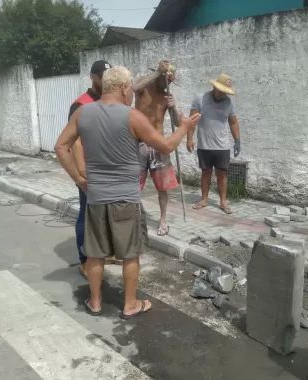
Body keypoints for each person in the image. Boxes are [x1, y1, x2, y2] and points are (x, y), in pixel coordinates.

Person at [55, 66, 200, 318]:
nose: (132, 94)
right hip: (125, 199)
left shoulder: (82, 113)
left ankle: (96, 302)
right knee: (130, 254)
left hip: (96, 197)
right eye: (130, 88)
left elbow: (61, 147)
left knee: (95, 254)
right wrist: (184, 128)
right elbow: (165, 145)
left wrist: (79, 179)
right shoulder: (132, 117)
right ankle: (130, 304)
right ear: (123, 88)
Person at [68, 60, 112, 277]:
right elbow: (74, 142)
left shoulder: (108, 101)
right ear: (93, 77)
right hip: (89, 171)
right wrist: (81, 174)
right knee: (86, 215)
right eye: (102, 77)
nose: (106, 81)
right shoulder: (81, 104)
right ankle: (84, 260)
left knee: (104, 215)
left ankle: (103, 252)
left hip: (107, 169)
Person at [133, 60, 179, 236]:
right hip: (138, 144)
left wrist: (173, 108)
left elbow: (176, 122)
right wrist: (157, 73)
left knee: (163, 187)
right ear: (160, 76)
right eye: (166, 79)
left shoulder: (167, 96)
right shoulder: (144, 87)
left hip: (159, 144)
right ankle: (135, 216)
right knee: (134, 185)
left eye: (171, 80)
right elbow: (134, 88)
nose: (168, 83)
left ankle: (163, 219)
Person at [187, 73, 241, 214]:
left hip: (222, 146)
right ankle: (204, 200)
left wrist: (237, 141)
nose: (223, 94)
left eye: (225, 92)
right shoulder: (200, 99)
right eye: (221, 90)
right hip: (204, 145)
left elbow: (233, 121)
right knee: (206, 173)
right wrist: (189, 138)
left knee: (222, 174)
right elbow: (192, 121)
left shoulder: (228, 103)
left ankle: (223, 201)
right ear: (214, 87)